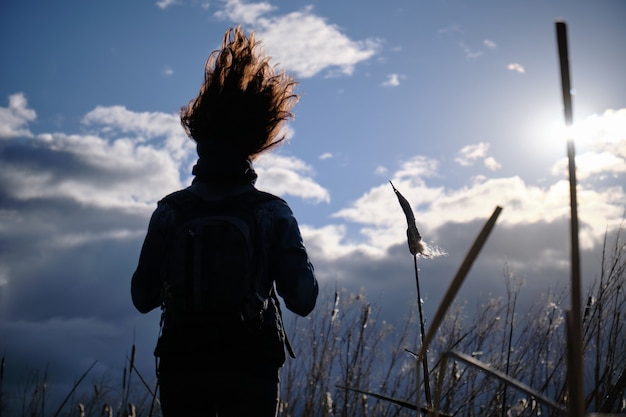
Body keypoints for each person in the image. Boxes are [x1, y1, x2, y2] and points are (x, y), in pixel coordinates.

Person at [131, 26, 318, 417]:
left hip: (183, 360)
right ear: (256, 140)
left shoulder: (171, 210)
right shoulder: (272, 211)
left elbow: (142, 298)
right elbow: (303, 300)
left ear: (200, 138)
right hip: (251, 364)